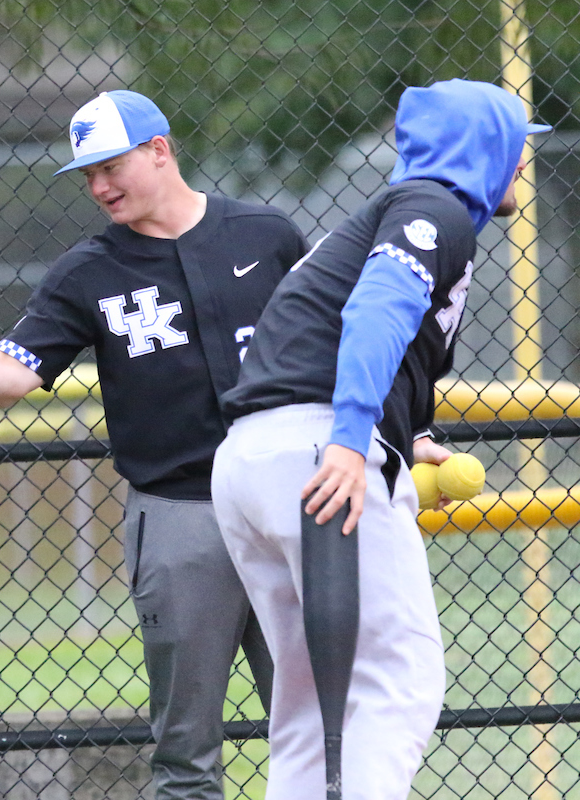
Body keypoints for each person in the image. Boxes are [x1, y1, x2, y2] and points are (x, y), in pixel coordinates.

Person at [0, 89, 308, 799]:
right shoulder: (89, 271)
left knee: (315, 728)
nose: (99, 186)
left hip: (285, 502)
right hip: (180, 512)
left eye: (111, 166)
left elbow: (332, 347)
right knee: (187, 752)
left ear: (160, 150)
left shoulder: (266, 234)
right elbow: (7, 378)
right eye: (87, 174)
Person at [211, 78, 552, 799]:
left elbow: (353, 331)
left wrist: (407, 434)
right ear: (482, 148)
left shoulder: (397, 212)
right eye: (515, 143)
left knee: (308, 708)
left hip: (254, 459)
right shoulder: (437, 209)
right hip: (320, 450)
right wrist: (350, 436)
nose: (525, 160)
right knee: (399, 678)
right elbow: (377, 310)